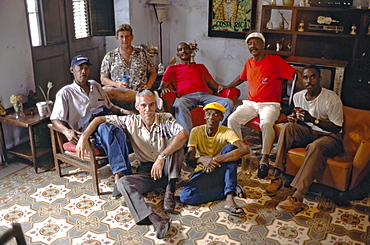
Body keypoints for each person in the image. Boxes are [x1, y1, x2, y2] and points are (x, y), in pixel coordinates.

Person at [75, 89, 188, 239]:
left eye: (151, 105)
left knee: (176, 145)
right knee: (123, 183)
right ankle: (156, 220)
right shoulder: (130, 121)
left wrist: (162, 157)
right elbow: (99, 119)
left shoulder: (165, 118)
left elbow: (183, 134)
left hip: (167, 168)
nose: (148, 110)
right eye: (143, 106)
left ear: (156, 105)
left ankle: (170, 190)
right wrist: (83, 137)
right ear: (136, 106)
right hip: (149, 172)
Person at [50, 54, 134, 198]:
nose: (83, 71)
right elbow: (55, 119)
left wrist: (125, 112)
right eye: (80, 68)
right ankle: (121, 176)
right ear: (72, 70)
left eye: (86, 68)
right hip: (85, 133)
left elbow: (110, 106)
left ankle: (120, 175)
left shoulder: (95, 85)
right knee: (108, 128)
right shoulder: (66, 93)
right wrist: (66, 131)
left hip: (105, 124)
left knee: (115, 130)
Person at [265, 65, 344, 213]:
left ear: (320, 79)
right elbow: (301, 122)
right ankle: (278, 175)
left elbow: (337, 128)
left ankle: (298, 196)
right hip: (309, 132)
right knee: (287, 127)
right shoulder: (298, 96)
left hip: (330, 137)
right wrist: (293, 119)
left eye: (313, 77)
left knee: (315, 146)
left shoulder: (331, 99)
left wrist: (314, 120)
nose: (309, 81)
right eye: (305, 77)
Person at [226, 32, 301, 179]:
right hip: (251, 103)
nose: (252, 46)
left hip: (270, 104)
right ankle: (241, 150)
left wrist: (309, 87)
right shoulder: (249, 62)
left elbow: (294, 73)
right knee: (232, 119)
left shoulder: (275, 61)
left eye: (256, 43)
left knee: (266, 124)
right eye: (250, 44)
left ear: (263, 45)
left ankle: (264, 158)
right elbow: (241, 78)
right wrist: (227, 86)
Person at [179, 102, 250, 215]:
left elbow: (245, 149)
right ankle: (228, 188)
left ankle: (229, 198)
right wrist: (201, 159)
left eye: (216, 114)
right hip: (203, 172)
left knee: (230, 148)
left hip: (221, 169)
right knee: (186, 196)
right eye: (209, 114)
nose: (212, 117)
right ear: (205, 116)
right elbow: (189, 160)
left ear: (222, 118)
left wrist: (215, 160)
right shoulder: (196, 131)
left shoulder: (227, 132)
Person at [159, 42, 234, 134]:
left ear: (191, 51)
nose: (183, 51)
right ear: (178, 55)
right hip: (187, 97)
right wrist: (163, 88)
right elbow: (162, 86)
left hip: (205, 96)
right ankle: (189, 140)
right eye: (180, 50)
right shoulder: (172, 68)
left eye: (186, 48)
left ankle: (216, 134)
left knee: (228, 102)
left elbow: (213, 84)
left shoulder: (200, 67)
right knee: (178, 104)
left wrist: (221, 86)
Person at [100, 24, 158, 109]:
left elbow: (153, 72)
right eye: (121, 37)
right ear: (117, 38)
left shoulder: (142, 53)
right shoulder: (110, 56)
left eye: (127, 36)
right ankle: (148, 97)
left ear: (132, 37)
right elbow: (103, 79)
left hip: (139, 90)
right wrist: (116, 84)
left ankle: (141, 96)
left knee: (142, 94)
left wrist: (148, 85)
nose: (124, 39)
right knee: (105, 91)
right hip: (119, 93)